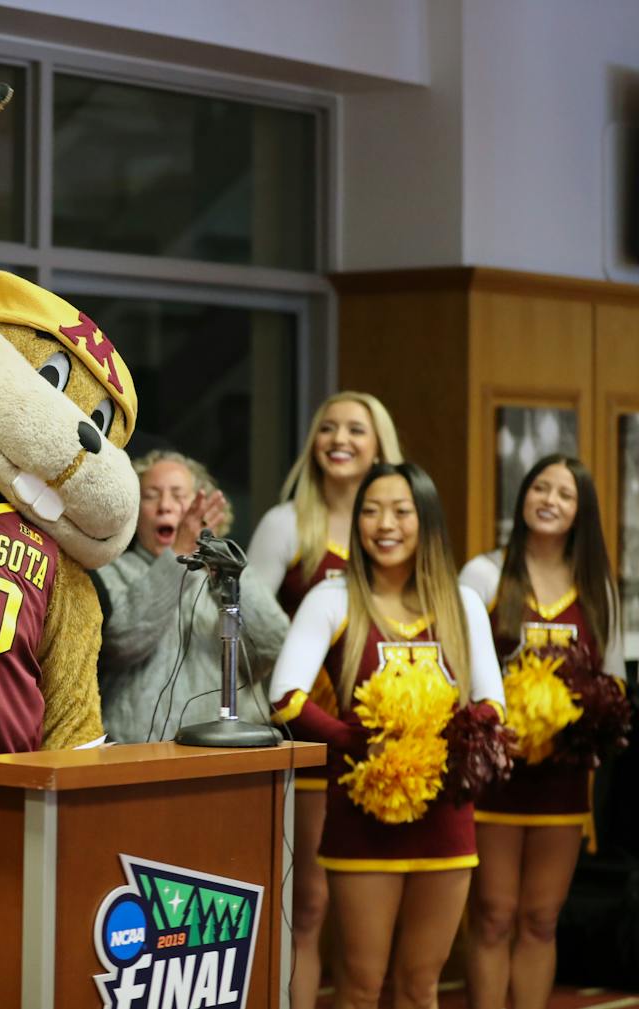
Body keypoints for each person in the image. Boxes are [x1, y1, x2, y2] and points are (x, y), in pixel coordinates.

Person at [268, 462, 504, 1009]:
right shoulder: (333, 597)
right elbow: (286, 697)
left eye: (401, 511)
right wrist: (357, 742)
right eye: (371, 511)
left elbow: (494, 704)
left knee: (421, 988)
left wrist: (437, 740)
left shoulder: (462, 602)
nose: (384, 523)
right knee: (360, 987)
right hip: (360, 819)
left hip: (445, 820)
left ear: (427, 522)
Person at [246, 391, 402, 1009]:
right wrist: (309, 653)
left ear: (380, 445)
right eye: (327, 428)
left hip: (387, 744)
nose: (339, 438)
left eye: (356, 429)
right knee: (309, 903)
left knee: (368, 909)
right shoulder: (289, 522)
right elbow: (244, 618)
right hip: (308, 738)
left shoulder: (395, 529)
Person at [460, 455, 623, 1009]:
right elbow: (456, 669)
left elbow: (615, 681)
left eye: (565, 493)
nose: (549, 499)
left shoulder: (597, 585)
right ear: (523, 496)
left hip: (563, 778)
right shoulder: (483, 574)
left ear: (582, 511)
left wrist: (578, 723)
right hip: (497, 776)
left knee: (540, 918)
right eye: (539, 487)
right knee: (494, 914)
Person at [97, 450, 289, 743]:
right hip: (139, 758)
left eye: (178, 495)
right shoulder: (111, 570)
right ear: (133, 510)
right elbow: (121, 642)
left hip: (228, 754)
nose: (165, 506)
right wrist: (178, 555)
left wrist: (221, 568)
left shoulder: (226, 573)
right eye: (151, 495)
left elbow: (273, 644)